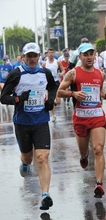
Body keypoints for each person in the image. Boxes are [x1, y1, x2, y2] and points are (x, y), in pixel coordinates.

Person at [0, 42, 57, 210]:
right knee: (28, 157)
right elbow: (3, 97)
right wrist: (18, 99)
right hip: (22, 122)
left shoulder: (44, 72)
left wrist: (51, 100)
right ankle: (24, 163)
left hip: (41, 121)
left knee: (43, 158)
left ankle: (45, 194)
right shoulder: (16, 74)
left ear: (40, 56)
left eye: (35, 56)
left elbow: (53, 87)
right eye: (29, 56)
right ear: (24, 57)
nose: (32, 59)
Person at [57, 43, 106, 198]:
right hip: (81, 117)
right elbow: (60, 91)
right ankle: (83, 157)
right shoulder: (73, 74)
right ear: (80, 56)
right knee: (85, 151)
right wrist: (74, 94)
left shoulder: (100, 74)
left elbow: (99, 90)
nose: (89, 57)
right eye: (86, 54)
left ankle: (99, 184)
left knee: (98, 149)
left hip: (97, 115)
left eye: (91, 54)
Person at [42, 48, 65, 122]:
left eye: (52, 52)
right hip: (49, 83)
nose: (51, 54)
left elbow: (63, 70)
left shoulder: (57, 62)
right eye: (49, 53)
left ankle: (54, 102)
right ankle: (54, 115)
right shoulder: (45, 63)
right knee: (50, 99)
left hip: (56, 82)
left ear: (54, 53)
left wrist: (61, 73)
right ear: (47, 54)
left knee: (58, 101)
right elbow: (41, 73)